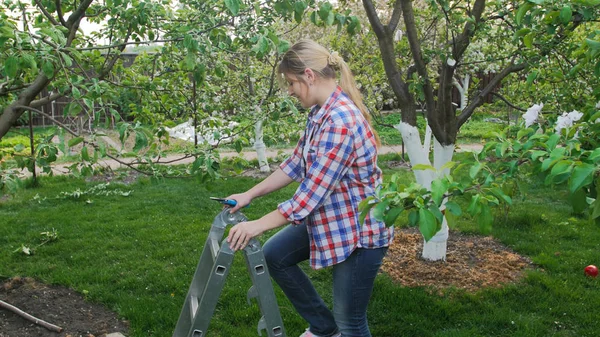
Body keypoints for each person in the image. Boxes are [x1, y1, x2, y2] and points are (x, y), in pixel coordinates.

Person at [225, 39, 393, 337]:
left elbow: (308, 198)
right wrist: (248, 195)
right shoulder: (320, 113)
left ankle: (334, 328)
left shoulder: (340, 121)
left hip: (359, 230)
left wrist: (257, 226)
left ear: (309, 75)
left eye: (291, 82)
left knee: (351, 323)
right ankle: (323, 328)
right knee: (275, 255)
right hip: (334, 217)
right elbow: (295, 165)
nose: (289, 90)